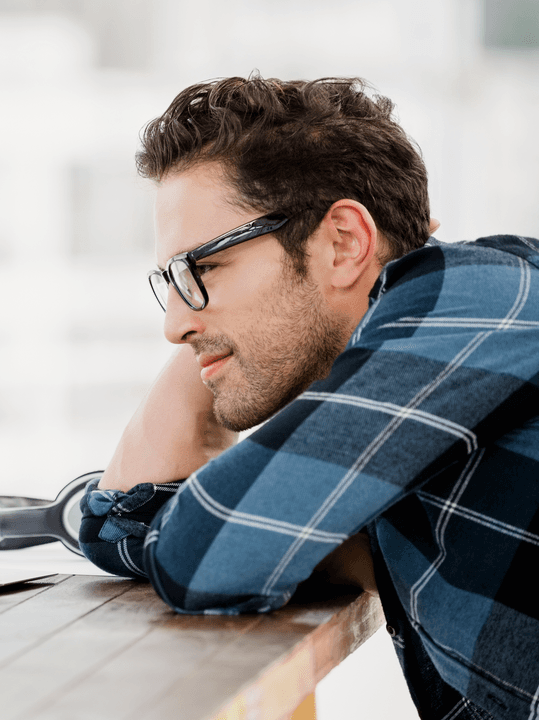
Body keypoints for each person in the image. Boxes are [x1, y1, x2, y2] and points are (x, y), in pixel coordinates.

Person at [78, 74, 539, 720]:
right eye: (170, 282)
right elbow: (170, 528)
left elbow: (203, 552)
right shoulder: (416, 431)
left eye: (202, 268)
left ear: (344, 243)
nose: (173, 327)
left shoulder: (485, 299)